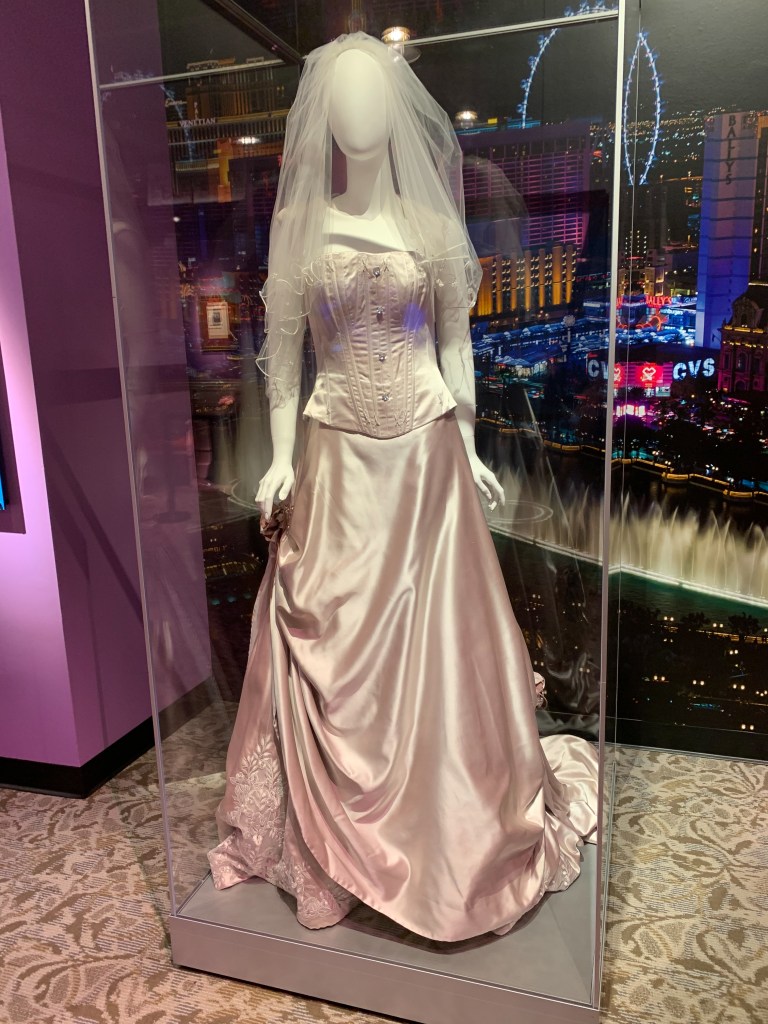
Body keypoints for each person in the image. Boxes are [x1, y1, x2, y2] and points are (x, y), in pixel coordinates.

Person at [208, 32, 598, 943]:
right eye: (340, 100)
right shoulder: (303, 228)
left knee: (441, 652)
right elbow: (285, 363)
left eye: (369, 97)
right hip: (339, 462)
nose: (356, 115)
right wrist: (280, 458)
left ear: (394, 112)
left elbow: (455, 346)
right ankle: (336, 847)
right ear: (323, 119)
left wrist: (469, 444)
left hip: (426, 459)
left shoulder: (431, 226)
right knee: (338, 644)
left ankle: (445, 826)